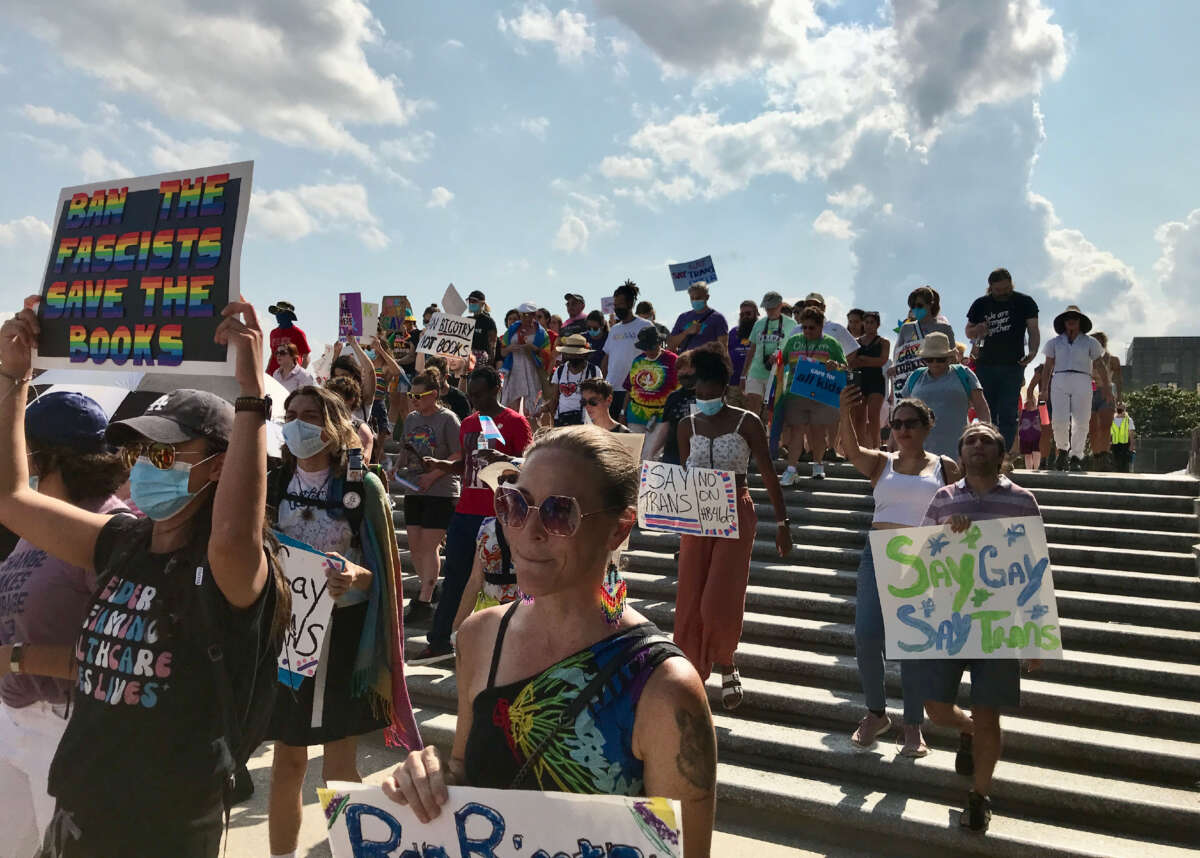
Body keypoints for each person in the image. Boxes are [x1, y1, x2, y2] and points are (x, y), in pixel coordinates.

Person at [0, 295, 290, 854]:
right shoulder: (122, 543)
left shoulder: (226, 567)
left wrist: (251, 394)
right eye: (139, 450)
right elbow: (12, 498)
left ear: (217, 466)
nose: (141, 464)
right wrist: (13, 377)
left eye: (164, 452)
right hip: (79, 814)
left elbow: (233, 535)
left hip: (163, 831)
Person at [383, 426, 717, 857]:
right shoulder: (480, 635)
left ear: (618, 530)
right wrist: (426, 780)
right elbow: (468, 774)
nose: (529, 530)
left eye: (561, 512)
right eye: (515, 504)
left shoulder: (664, 689)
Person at [265, 385, 419, 858]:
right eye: (290, 414)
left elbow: (383, 580)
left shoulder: (362, 486)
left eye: (309, 414)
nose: (297, 423)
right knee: (287, 760)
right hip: (286, 634)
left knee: (338, 761)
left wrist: (354, 575)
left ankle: (353, 850)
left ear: (333, 425)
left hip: (345, 636)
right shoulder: (271, 483)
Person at [0, 392, 129, 854]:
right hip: (14, 722)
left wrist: (15, 659)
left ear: (49, 456)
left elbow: (126, 658)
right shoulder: (38, 518)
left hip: (65, 729)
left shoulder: (110, 530)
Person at [918, 422, 1044, 833]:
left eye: (985, 441)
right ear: (960, 453)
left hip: (999, 621)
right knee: (935, 710)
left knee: (989, 714)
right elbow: (919, 557)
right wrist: (943, 535)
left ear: (1000, 453)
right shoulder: (942, 498)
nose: (976, 446)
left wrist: (1035, 633)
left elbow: (1034, 568)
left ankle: (979, 795)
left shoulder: (1023, 500)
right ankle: (968, 731)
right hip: (949, 619)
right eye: (969, 441)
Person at [838, 388, 961, 757]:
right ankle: (876, 713)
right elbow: (851, 450)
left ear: (928, 425)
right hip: (877, 554)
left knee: (914, 643)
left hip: (923, 557)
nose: (903, 430)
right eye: (896, 423)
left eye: (911, 423)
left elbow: (970, 500)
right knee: (867, 635)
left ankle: (912, 725)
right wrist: (846, 413)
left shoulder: (945, 466)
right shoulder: (882, 463)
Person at [677, 349, 792, 709]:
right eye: (699, 388)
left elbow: (769, 474)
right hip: (697, 513)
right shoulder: (687, 425)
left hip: (735, 510)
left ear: (723, 386)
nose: (704, 395)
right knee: (690, 595)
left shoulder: (747, 422)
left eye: (710, 388)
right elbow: (681, 475)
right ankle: (688, 670)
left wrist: (783, 522)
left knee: (720, 594)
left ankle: (726, 660)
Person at [410, 366, 533, 665]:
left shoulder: (515, 422)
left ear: (495, 390)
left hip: (499, 516)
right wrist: (440, 464)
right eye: (471, 394)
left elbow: (530, 466)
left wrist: (506, 460)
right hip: (466, 512)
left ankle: (509, 643)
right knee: (454, 578)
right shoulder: (468, 423)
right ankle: (440, 641)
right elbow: (466, 464)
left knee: (504, 581)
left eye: (479, 394)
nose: (475, 400)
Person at [397, 370, 462, 623]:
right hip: (413, 487)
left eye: (418, 395)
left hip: (441, 490)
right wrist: (397, 466)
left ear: (433, 395)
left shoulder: (448, 419)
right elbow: (405, 447)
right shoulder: (412, 419)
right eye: (411, 394)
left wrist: (433, 475)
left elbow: (458, 454)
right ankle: (428, 589)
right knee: (415, 546)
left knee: (428, 545)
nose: (413, 399)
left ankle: (424, 597)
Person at [965, 268, 1040, 450]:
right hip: (985, 365)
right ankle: (985, 450)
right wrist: (978, 330)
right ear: (990, 287)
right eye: (998, 290)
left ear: (1011, 284)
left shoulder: (1024, 302)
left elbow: (1033, 329)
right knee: (987, 411)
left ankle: (1002, 453)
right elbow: (968, 331)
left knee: (1008, 412)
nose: (1002, 293)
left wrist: (1032, 352)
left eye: (1006, 288)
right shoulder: (981, 304)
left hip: (1013, 365)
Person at [776, 306, 848, 484]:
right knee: (797, 431)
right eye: (804, 327)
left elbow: (844, 366)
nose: (807, 331)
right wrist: (774, 359)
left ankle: (818, 465)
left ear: (821, 326)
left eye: (812, 327)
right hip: (795, 393)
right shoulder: (793, 341)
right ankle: (791, 469)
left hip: (820, 393)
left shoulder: (831, 343)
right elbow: (782, 360)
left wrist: (835, 365)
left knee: (817, 431)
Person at [451, 465, 522, 632]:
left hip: (524, 615)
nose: (505, 485)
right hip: (489, 613)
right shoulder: (487, 527)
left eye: (512, 479)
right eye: (501, 480)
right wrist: (457, 628)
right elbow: (475, 580)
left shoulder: (538, 528)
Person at [900, 333, 990, 458]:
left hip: (958, 451)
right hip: (919, 451)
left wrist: (987, 434)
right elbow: (901, 411)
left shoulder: (963, 373)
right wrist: (893, 440)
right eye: (930, 359)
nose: (935, 363)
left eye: (940, 359)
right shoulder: (915, 376)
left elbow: (981, 406)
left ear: (949, 358)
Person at [1043, 305, 1109, 472]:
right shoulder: (1054, 342)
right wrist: (1044, 388)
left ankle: (1076, 456)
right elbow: (1048, 366)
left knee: (1081, 420)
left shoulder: (1090, 342)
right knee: (1059, 419)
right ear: (1063, 323)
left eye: (1075, 318)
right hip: (1059, 378)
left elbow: (1100, 364)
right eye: (1068, 319)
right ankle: (1063, 451)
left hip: (1083, 378)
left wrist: (1107, 387)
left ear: (1080, 322)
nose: (1071, 321)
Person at [803, 293, 860, 459]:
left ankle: (832, 449)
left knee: (833, 415)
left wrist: (838, 368)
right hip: (807, 377)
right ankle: (812, 449)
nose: (812, 306)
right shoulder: (798, 329)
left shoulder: (836, 328)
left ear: (824, 307)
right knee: (809, 415)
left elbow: (853, 350)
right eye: (808, 304)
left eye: (816, 304)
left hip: (830, 377)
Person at [601, 281, 654, 421]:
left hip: (635, 391)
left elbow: (653, 357)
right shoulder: (614, 329)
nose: (617, 308)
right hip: (612, 390)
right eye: (615, 305)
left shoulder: (645, 326)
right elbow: (606, 358)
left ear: (630, 304)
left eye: (620, 304)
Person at [739, 291, 796, 420]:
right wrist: (743, 375)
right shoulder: (759, 324)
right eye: (767, 307)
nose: (769, 310)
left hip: (778, 373)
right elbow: (751, 350)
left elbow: (795, 349)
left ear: (780, 305)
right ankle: (752, 437)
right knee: (752, 409)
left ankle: (772, 437)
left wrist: (781, 357)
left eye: (773, 307)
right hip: (756, 372)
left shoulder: (791, 324)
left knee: (772, 412)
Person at [890, 286, 957, 396]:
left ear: (930, 304)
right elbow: (897, 358)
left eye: (920, 305)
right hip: (913, 382)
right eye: (913, 306)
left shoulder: (945, 328)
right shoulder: (905, 329)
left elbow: (953, 356)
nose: (916, 309)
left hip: (938, 380)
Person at [500, 302, 553, 419]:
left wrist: (533, 348)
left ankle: (533, 435)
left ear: (534, 315)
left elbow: (547, 356)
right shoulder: (512, 330)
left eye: (530, 315)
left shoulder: (541, 333)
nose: (527, 318)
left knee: (533, 410)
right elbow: (502, 352)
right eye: (524, 315)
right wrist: (509, 348)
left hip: (533, 372)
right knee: (511, 409)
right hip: (514, 371)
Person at [644, 350, 697, 461]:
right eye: (680, 369)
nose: (683, 372)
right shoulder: (673, 397)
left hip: (698, 459)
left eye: (687, 368)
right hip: (672, 457)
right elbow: (665, 428)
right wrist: (652, 452)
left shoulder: (707, 395)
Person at [624, 326, 678, 432]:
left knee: (653, 449)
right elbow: (629, 389)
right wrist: (623, 412)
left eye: (652, 347)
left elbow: (680, 390)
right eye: (645, 348)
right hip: (635, 417)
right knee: (636, 448)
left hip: (661, 418)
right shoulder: (638, 360)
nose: (649, 351)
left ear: (660, 343)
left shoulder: (673, 360)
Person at [547, 334, 603, 427]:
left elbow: (599, 399)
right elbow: (554, 398)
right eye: (569, 353)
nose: (572, 356)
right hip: (561, 420)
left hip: (585, 422)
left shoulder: (594, 371)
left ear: (584, 354)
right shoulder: (560, 370)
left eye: (576, 354)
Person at [853, 311, 890, 449]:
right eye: (866, 322)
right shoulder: (856, 342)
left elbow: (882, 361)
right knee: (859, 417)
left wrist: (863, 360)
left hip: (876, 380)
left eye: (872, 322)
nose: (869, 325)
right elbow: (853, 361)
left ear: (878, 324)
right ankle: (860, 447)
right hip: (860, 380)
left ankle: (876, 446)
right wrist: (866, 361)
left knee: (873, 415)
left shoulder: (883, 342)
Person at [1088, 332, 1123, 471]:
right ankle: (1096, 457)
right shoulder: (1086, 359)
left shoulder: (1113, 360)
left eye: (1098, 341)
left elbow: (1119, 379)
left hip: (1106, 393)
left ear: (1103, 343)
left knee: (1105, 426)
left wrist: (1120, 396)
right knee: (1093, 429)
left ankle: (1104, 456)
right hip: (1089, 394)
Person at [324, 375, 375, 462]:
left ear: (351, 399)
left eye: (336, 397)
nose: (331, 401)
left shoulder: (360, 428)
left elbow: (360, 464)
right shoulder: (323, 423)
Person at [667, 282, 729, 352]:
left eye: (698, 297)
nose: (695, 300)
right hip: (687, 361)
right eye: (692, 298)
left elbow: (723, 348)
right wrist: (686, 332)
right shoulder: (683, 317)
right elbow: (670, 346)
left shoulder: (718, 318)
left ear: (707, 297)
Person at [266, 300, 311, 375]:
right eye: (276, 312)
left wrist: (299, 374)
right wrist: (267, 372)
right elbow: (272, 354)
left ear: (288, 315)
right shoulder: (273, 333)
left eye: (280, 312)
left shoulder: (298, 333)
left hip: (291, 375)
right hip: (273, 375)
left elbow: (306, 357)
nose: (277, 315)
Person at [423, 354, 471, 421]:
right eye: (428, 378)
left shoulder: (459, 399)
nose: (431, 382)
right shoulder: (425, 397)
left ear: (446, 377)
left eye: (435, 379)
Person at [466, 290, 499, 371]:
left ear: (482, 303)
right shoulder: (467, 320)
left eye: (474, 301)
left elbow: (493, 344)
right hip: (466, 358)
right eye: (469, 301)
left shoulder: (488, 321)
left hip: (482, 360)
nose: (471, 303)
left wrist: (491, 362)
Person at [728, 300, 759, 383]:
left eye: (748, 313)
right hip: (733, 382)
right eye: (742, 314)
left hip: (756, 382)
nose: (745, 316)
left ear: (756, 313)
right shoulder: (733, 332)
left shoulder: (762, 331)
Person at [1018, 386, 1043, 471]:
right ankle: (1029, 470)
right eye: (1028, 400)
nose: (1030, 402)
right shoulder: (1022, 412)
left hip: (1037, 437)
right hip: (1024, 437)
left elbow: (1044, 422)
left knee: (1036, 453)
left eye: (1032, 400)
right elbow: (1019, 423)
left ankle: (1036, 469)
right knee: (1027, 454)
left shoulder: (1038, 412)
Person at [1110, 403, 1136, 472]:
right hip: (1115, 444)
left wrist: (1132, 445)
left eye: (1121, 408)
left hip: (1125, 444)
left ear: (1124, 409)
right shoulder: (1112, 419)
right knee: (1115, 462)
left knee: (1124, 463)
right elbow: (1110, 432)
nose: (1119, 410)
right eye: (1118, 408)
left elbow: (1131, 433)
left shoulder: (1128, 420)